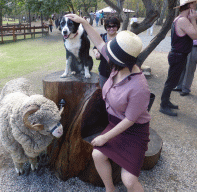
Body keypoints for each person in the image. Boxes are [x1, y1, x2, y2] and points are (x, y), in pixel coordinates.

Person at [66, 14, 151, 192]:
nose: (106, 55)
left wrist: (105, 137)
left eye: (110, 55)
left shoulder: (139, 87)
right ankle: (109, 189)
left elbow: (130, 120)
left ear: (121, 59)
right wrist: (83, 22)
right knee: (97, 154)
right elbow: (98, 42)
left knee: (128, 180)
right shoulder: (119, 65)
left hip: (133, 131)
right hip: (113, 123)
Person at [160, 0, 197, 116]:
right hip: (178, 55)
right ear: (190, 5)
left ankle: (166, 101)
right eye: (194, 3)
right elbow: (195, 35)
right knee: (171, 82)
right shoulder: (183, 20)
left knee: (173, 80)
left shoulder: (179, 18)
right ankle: (163, 106)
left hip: (178, 55)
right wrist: (194, 20)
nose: (195, 5)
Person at [93, 17, 121, 88]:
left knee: (116, 90)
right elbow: (95, 48)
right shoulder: (102, 37)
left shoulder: (121, 38)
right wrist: (96, 52)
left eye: (114, 26)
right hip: (103, 70)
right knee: (103, 88)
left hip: (118, 71)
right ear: (106, 27)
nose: (111, 28)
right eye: (109, 26)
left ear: (117, 26)